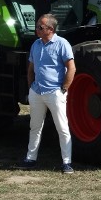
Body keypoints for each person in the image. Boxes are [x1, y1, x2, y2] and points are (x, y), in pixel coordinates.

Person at [19, 14, 76, 174]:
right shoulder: (35, 45)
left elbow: (71, 68)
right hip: (37, 92)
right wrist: (31, 87)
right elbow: (31, 68)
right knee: (35, 127)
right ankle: (30, 159)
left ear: (50, 29)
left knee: (62, 128)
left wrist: (63, 88)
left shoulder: (62, 44)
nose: (37, 29)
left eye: (40, 27)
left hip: (55, 92)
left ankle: (66, 162)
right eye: (38, 26)